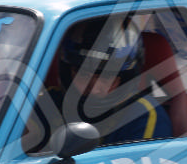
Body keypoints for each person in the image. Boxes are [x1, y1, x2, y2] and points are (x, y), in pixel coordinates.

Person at [55, 16, 173, 145]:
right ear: (68, 73)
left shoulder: (143, 115)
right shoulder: (49, 101)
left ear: (124, 79)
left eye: (106, 78)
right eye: (84, 75)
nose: (93, 89)